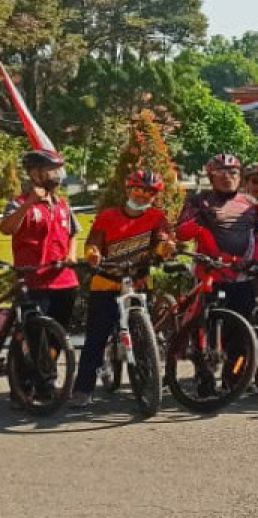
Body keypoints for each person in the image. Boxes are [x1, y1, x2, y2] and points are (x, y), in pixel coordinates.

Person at [71, 170, 173, 408]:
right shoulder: (108, 216)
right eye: (138, 190)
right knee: (96, 337)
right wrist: (93, 253)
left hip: (138, 283)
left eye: (149, 192)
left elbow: (163, 240)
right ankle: (83, 388)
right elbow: (93, 242)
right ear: (129, 190)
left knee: (145, 335)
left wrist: (165, 248)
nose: (142, 195)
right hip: (106, 283)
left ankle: (149, 379)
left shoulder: (157, 217)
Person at [0, 149, 81, 402]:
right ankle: (41, 386)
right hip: (33, 279)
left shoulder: (63, 205)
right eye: (50, 170)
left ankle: (41, 376)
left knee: (58, 336)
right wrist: (28, 204)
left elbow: (73, 233)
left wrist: (71, 253)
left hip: (64, 280)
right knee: (37, 337)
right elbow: (7, 228)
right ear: (34, 173)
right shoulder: (19, 202)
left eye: (58, 170)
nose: (56, 175)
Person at [176, 153, 258, 326]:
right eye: (220, 173)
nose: (227, 177)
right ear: (211, 177)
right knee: (206, 325)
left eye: (233, 173)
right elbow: (181, 233)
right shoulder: (198, 201)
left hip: (242, 274)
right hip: (210, 274)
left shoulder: (251, 203)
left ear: (240, 177)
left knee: (242, 329)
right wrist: (197, 221)